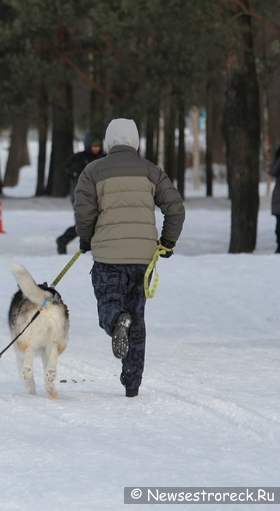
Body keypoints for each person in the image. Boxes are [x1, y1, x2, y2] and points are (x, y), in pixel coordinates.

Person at [73, 118, 185, 398]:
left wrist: (86, 239)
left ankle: (115, 320)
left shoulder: (92, 171)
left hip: (108, 256)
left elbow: (84, 212)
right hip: (142, 258)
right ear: (135, 142)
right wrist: (167, 242)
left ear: (109, 142)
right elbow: (175, 208)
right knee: (137, 317)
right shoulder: (151, 171)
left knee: (109, 307)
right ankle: (132, 383)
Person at [56, 132, 105, 254]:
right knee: (84, 223)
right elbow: (65, 170)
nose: (96, 148)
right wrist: (77, 169)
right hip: (80, 196)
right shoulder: (78, 158)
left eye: (98, 145)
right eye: (94, 146)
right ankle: (63, 240)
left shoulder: (104, 159)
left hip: (98, 196)